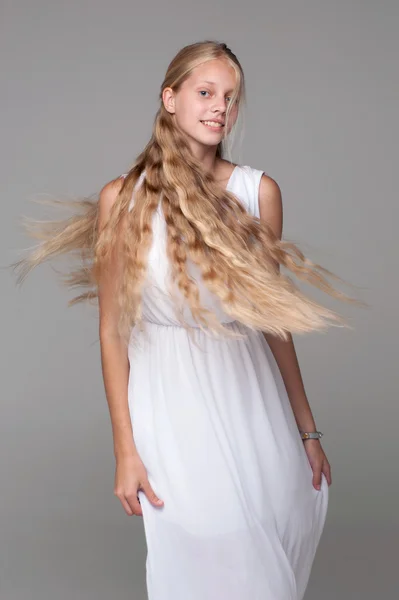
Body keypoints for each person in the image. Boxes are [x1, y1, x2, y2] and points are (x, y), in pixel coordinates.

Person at [13, 40, 364, 600]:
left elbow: (274, 322)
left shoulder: (257, 192)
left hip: (251, 401)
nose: (220, 107)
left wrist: (306, 428)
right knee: (202, 563)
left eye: (230, 98)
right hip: (170, 410)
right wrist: (125, 451)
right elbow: (111, 331)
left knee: (265, 567)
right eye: (206, 92)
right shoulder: (121, 201)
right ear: (169, 98)